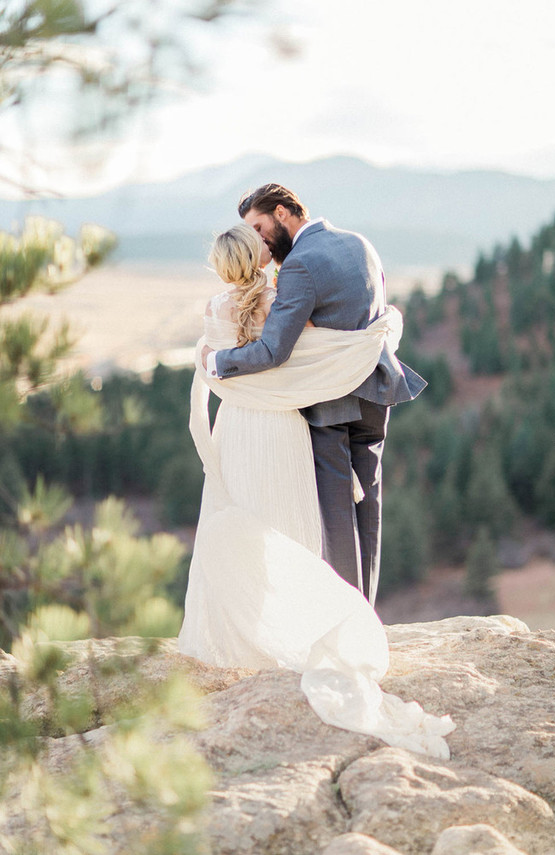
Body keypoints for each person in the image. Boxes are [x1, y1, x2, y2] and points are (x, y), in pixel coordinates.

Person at [179, 224, 454, 759]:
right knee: (293, 523)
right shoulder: (282, 301)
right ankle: (312, 628)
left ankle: (248, 633)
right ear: (259, 258)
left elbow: (219, 364)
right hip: (282, 428)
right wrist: (385, 327)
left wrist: (211, 360)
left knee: (246, 517)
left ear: (220, 267)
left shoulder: (214, 309)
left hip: (238, 427)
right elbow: (317, 352)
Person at [201, 184, 426, 605]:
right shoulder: (361, 245)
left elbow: (274, 349)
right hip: (375, 391)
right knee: (368, 507)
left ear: (282, 212)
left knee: (336, 514)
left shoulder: (299, 265)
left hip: (331, 401)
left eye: (259, 227)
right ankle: (366, 612)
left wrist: (216, 362)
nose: (259, 240)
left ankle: (348, 619)